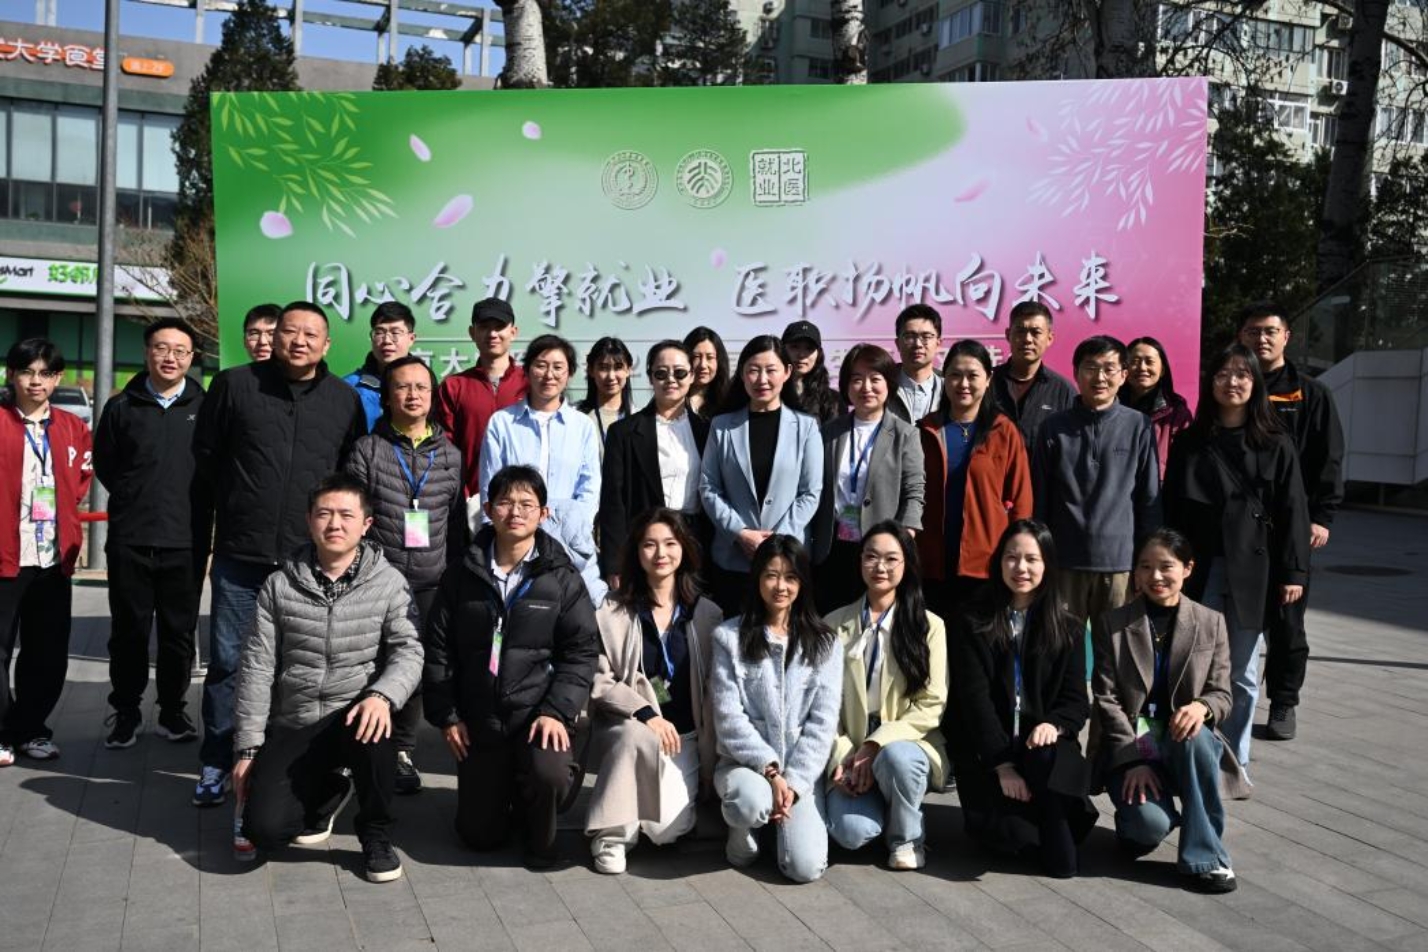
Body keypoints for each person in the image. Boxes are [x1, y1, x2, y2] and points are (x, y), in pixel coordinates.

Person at [192, 301, 366, 807]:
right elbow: (206, 457)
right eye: (291, 331)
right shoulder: (235, 385)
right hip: (241, 552)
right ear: (274, 335)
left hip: (306, 560)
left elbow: (347, 473)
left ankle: (279, 764)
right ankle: (217, 759)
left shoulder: (343, 400)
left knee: (299, 666)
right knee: (230, 662)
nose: (299, 341)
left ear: (327, 344)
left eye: (311, 334)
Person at [232, 474, 423, 884]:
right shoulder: (279, 585)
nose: (334, 523)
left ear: (366, 524)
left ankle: (375, 832)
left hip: (356, 715)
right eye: (324, 514)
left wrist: (382, 696)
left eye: (346, 515)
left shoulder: (388, 582)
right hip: (296, 719)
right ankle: (330, 789)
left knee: (377, 737)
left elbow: (409, 651)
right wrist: (247, 749)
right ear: (309, 520)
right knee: (265, 831)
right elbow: (256, 667)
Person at [423, 465, 599, 868]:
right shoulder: (462, 573)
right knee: (478, 836)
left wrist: (556, 711)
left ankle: (541, 808)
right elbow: (438, 649)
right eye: (504, 502)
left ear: (544, 513)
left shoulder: (562, 577)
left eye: (526, 504)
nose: (515, 512)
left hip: (537, 715)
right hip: (480, 717)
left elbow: (582, 651)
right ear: (488, 510)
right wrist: (448, 715)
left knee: (548, 775)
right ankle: (507, 790)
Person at [1163, 343, 1309, 773]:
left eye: (1242, 374)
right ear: (1210, 383)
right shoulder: (1191, 442)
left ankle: (1233, 761)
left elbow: (1294, 511)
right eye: (1223, 374)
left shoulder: (1276, 443)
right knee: (1196, 662)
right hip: (1200, 570)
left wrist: (1294, 572)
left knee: (1242, 670)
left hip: (1253, 572)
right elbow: (1172, 511)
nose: (1232, 382)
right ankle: (1197, 752)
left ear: (1255, 383)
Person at [1090, 528, 1245, 894]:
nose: (1155, 576)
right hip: (1132, 745)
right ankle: (1138, 826)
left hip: (1183, 744)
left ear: (1188, 569)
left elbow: (1222, 693)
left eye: (1166, 566)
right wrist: (1132, 759)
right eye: (1145, 566)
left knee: (1197, 736)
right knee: (1148, 828)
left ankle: (1207, 858)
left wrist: (1201, 707)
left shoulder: (1211, 622)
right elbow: (1106, 699)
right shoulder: (1113, 623)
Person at [947, 520, 1095, 879]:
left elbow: (1076, 701)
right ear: (999, 562)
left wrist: (1054, 724)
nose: (1021, 568)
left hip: (1042, 752)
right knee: (1008, 837)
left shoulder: (1068, 627)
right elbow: (974, 700)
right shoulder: (972, 620)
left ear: (1048, 565)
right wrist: (1002, 766)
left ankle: (1055, 817)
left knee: (1046, 757)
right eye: (1012, 558)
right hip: (990, 752)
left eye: (1032, 559)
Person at [345, 355, 464, 795]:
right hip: (378, 579)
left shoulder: (449, 454)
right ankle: (356, 746)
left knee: (413, 665)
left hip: (431, 580)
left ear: (432, 396)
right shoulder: (367, 449)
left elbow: (456, 525)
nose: (412, 395)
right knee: (368, 662)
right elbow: (354, 518)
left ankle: (402, 750)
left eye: (421, 387)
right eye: (402, 387)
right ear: (387, 396)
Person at [585, 508, 724, 874]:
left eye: (670, 543)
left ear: (684, 549)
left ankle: (638, 813)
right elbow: (600, 679)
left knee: (665, 831)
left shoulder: (707, 614)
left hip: (684, 737)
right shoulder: (614, 609)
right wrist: (645, 713)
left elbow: (715, 691)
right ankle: (611, 835)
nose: (660, 553)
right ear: (637, 552)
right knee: (634, 736)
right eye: (649, 544)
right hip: (629, 727)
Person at [93, 318, 209, 749]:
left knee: (179, 634)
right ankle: (125, 711)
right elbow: (106, 464)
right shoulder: (121, 407)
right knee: (129, 632)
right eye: (162, 348)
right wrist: (132, 498)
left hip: (186, 540)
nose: (170, 357)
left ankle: (173, 711)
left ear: (191, 357)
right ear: (147, 352)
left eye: (180, 350)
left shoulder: (207, 407)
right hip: (131, 538)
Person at [1237, 302, 1344, 742]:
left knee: (1286, 621)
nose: (1261, 339)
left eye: (1269, 331)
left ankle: (1284, 700)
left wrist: (1321, 517)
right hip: (1238, 525)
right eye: (1252, 331)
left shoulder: (1310, 394)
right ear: (1241, 337)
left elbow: (1328, 458)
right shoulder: (1233, 385)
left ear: (1286, 337)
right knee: (1233, 617)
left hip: (1290, 525)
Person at [708, 535, 841, 883]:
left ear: (803, 583)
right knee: (748, 805)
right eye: (771, 575)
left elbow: (823, 724)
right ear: (757, 578)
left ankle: (776, 827)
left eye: (791, 577)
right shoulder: (728, 637)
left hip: (799, 772)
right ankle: (744, 829)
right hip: (746, 767)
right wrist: (770, 772)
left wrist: (792, 783)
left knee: (805, 868)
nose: (781, 586)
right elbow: (728, 718)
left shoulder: (826, 642)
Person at [823, 523, 947, 871]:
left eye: (892, 559)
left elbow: (931, 704)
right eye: (871, 557)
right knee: (851, 834)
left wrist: (874, 745)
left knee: (897, 759)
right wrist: (845, 754)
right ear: (860, 561)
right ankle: (885, 807)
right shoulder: (833, 624)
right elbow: (822, 705)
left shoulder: (930, 626)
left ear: (907, 564)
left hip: (905, 745)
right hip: (851, 747)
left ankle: (906, 838)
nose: (880, 566)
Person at [0, 339, 93, 766]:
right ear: (11, 375)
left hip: (52, 557)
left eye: (45, 373)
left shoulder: (72, 426)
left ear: (57, 378)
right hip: (6, 553)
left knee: (47, 652)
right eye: (26, 371)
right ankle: (2, 732)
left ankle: (31, 729)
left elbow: (80, 482)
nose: (35, 381)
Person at [1033, 335, 1160, 628]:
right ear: (1076, 373)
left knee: (1117, 649)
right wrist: (1041, 557)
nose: (1100, 377)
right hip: (1064, 563)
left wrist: (1147, 561)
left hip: (1120, 565)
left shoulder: (1139, 426)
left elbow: (1149, 498)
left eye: (1109, 369)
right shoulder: (1053, 428)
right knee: (1063, 647)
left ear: (1124, 375)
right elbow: (1040, 498)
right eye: (1090, 368)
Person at [699, 336, 823, 615]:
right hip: (733, 558)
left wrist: (775, 543)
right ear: (742, 374)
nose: (762, 379)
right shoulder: (722, 426)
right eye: (753, 370)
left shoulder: (806, 427)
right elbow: (709, 487)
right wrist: (740, 533)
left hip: (787, 561)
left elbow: (810, 492)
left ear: (787, 372)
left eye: (771, 370)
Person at [480, 334, 605, 605]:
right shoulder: (502, 422)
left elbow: (589, 487)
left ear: (569, 374)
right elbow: (490, 484)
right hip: (513, 537)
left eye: (558, 367)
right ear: (526, 371)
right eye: (541, 365)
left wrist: (573, 528)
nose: (549, 374)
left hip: (569, 542)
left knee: (570, 609)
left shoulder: (582, 425)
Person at [917, 340, 1032, 621]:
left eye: (972, 375)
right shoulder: (926, 429)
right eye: (955, 375)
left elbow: (1021, 500)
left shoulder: (1003, 430)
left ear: (988, 379)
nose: (963, 384)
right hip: (932, 562)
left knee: (978, 642)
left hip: (985, 563)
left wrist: (1015, 554)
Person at [810, 344, 925, 614]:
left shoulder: (905, 434)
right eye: (857, 379)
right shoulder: (828, 432)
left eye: (875, 379)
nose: (866, 387)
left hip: (881, 551)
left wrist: (902, 540)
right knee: (832, 621)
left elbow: (914, 492)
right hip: (833, 548)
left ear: (889, 384)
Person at [598, 340, 711, 586]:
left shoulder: (708, 430)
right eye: (661, 373)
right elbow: (613, 503)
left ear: (692, 376)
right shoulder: (623, 432)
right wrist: (615, 565)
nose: (671, 380)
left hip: (697, 544)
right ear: (650, 377)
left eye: (679, 373)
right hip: (645, 545)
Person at [433, 296, 528, 502]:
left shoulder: (530, 383)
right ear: (472, 332)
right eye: (484, 327)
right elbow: (444, 448)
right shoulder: (453, 386)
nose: (492, 334)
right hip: (471, 499)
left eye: (499, 327)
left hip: (525, 500)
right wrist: (463, 493)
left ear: (513, 332)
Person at [990, 301, 1077, 451]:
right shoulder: (987, 382)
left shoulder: (1063, 391)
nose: (1027, 339)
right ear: (1008, 335)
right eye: (1020, 331)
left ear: (1049, 338)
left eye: (1036, 332)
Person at [1119, 336, 1193, 481]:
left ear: (1162, 370)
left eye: (1149, 362)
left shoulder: (1177, 414)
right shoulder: (1110, 408)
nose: (1142, 367)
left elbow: (1186, 466)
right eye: (1134, 361)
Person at [343, 301, 418, 431]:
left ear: (411, 339)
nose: (387, 341)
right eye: (379, 332)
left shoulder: (425, 386)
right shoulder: (349, 387)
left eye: (395, 333)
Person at [888, 304, 944, 424]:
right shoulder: (882, 386)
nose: (918, 344)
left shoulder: (950, 388)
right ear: (897, 343)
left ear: (938, 343)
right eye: (909, 337)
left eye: (926, 337)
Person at [576, 336, 634, 451]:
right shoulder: (577, 416)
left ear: (628, 370)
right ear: (591, 370)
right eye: (603, 368)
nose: (611, 376)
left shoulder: (639, 418)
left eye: (618, 367)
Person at [781, 321, 844, 424]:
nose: (801, 355)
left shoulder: (833, 400)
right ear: (782, 350)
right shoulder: (770, 393)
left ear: (818, 354)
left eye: (809, 348)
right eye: (794, 347)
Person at [684, 326, 730, 419]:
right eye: (696, 357)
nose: (703, 365)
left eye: (710, 357)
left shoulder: (730, 401)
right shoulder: (673, 400)